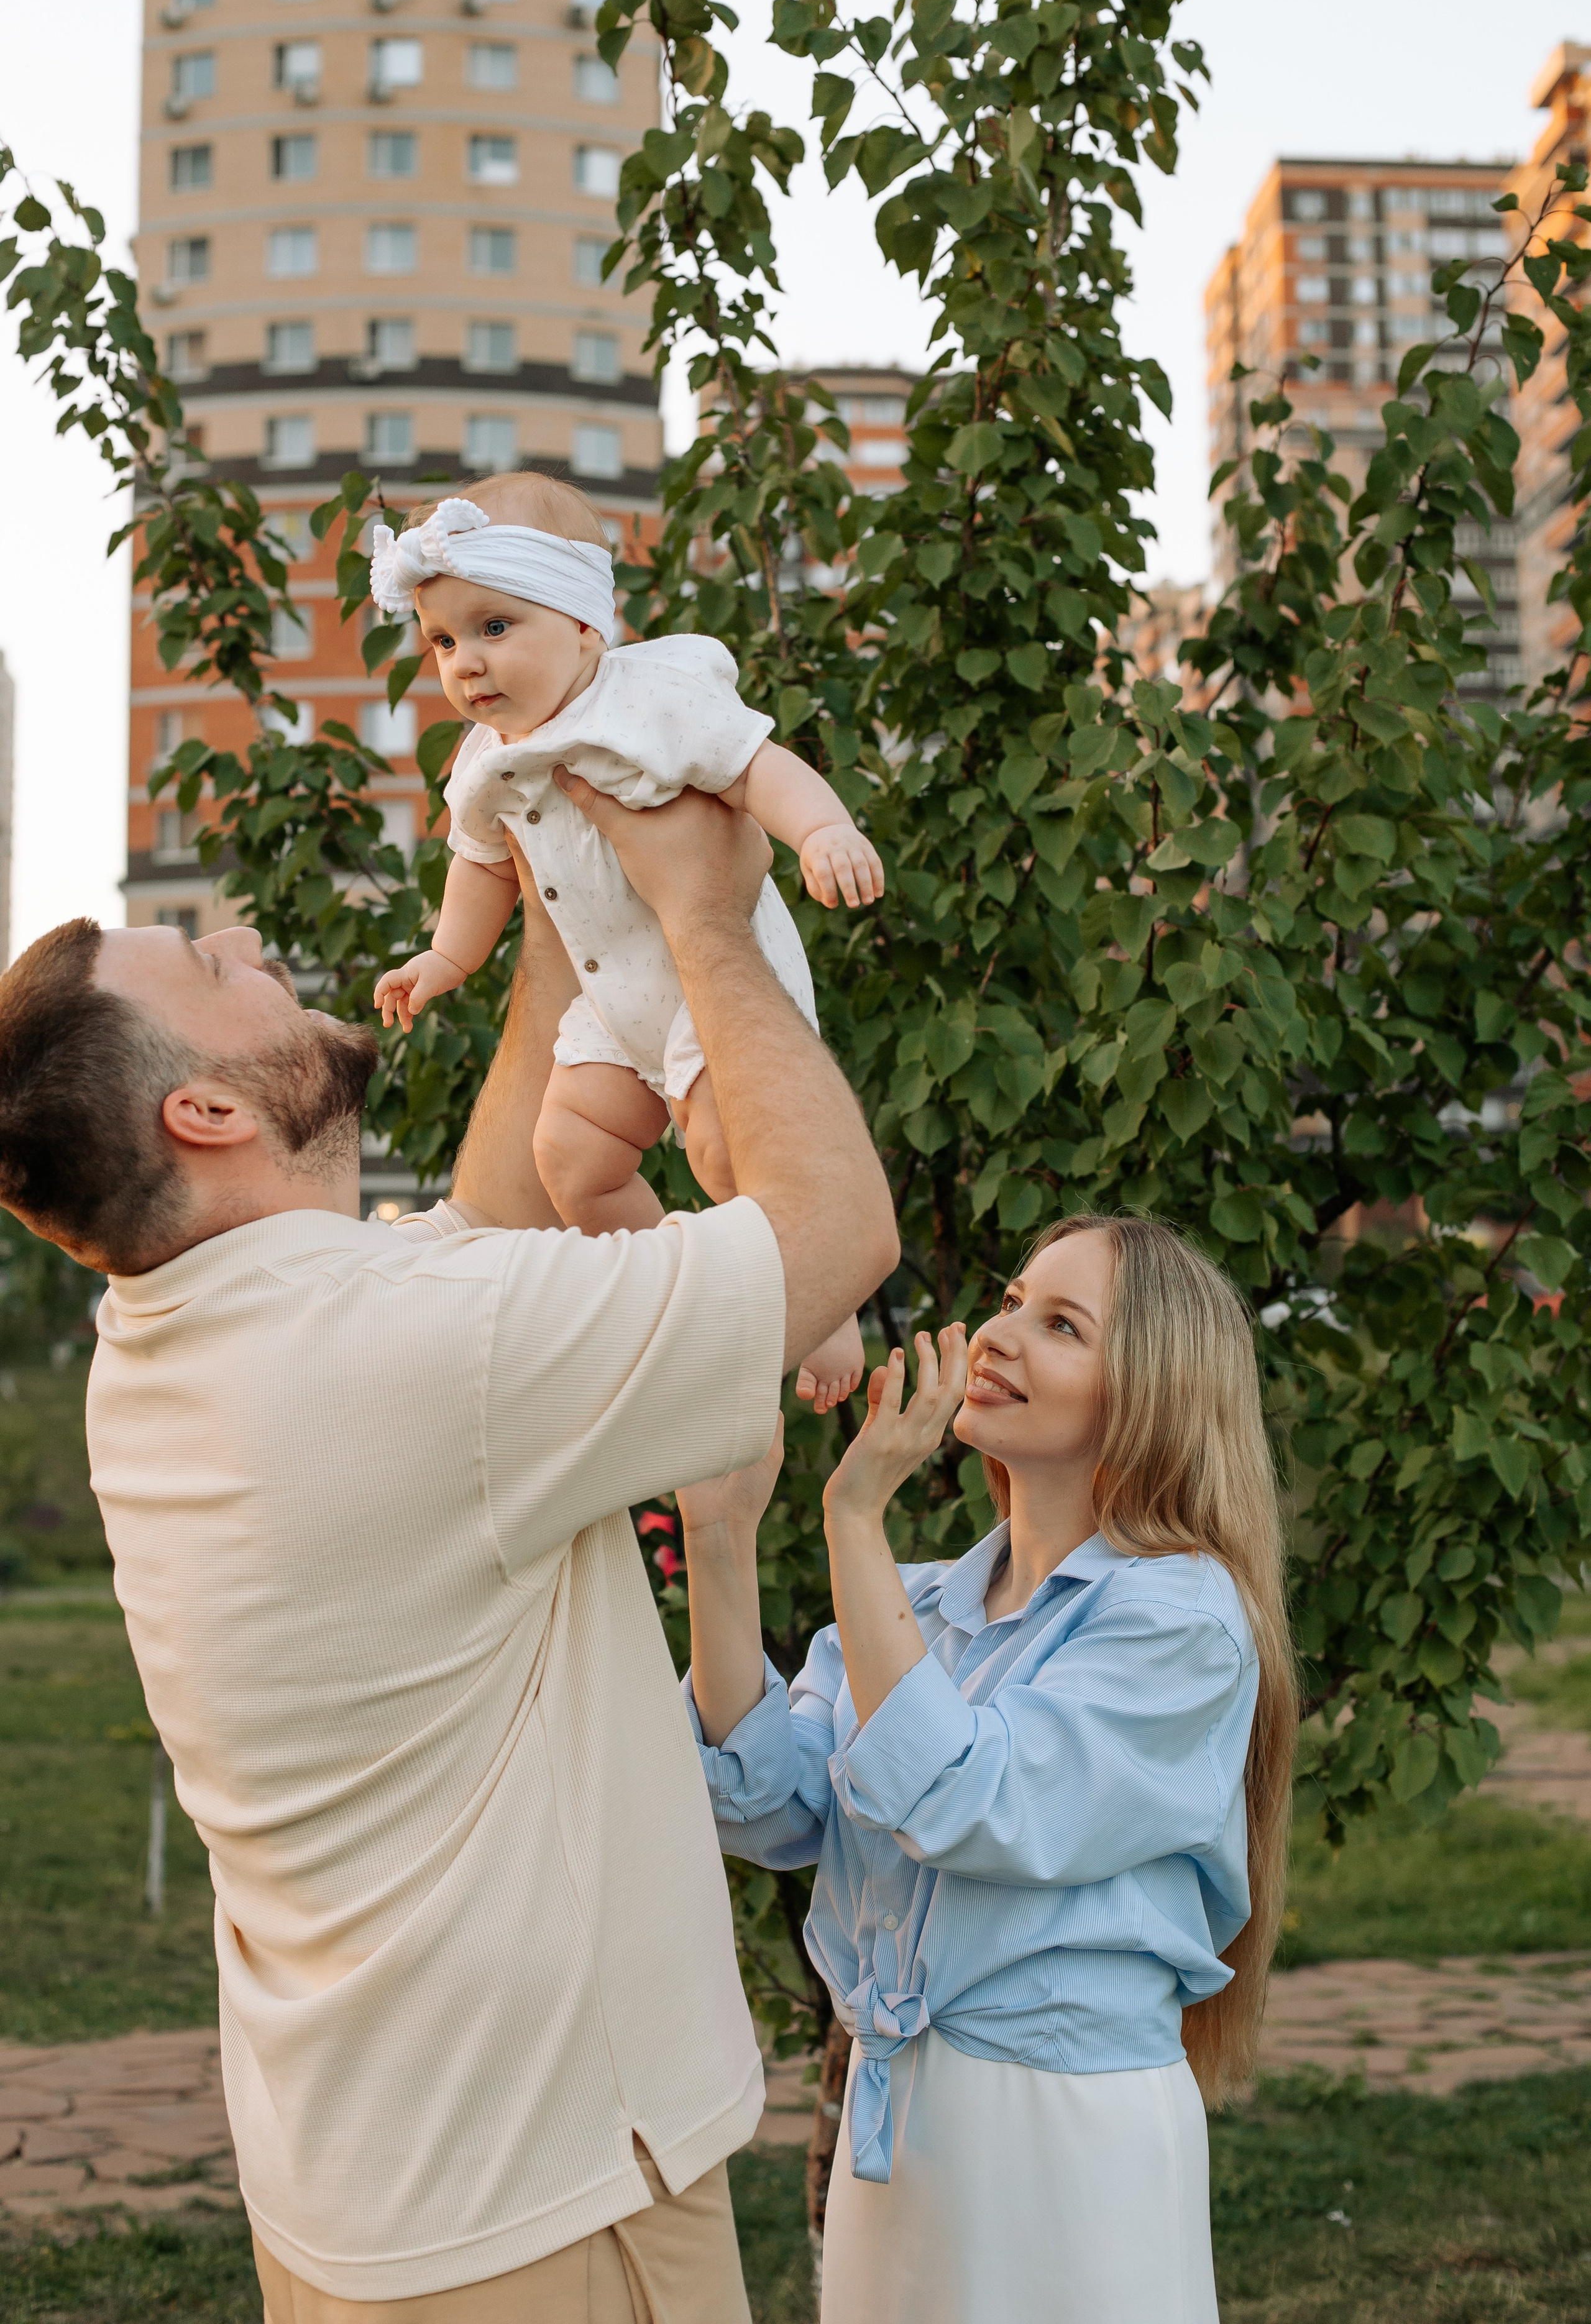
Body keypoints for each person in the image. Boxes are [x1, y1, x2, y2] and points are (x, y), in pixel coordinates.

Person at [0, 775, 897, 2323]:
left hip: (364, 2186)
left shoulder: (166, 1344)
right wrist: (700, 911)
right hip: (545, 2208)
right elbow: (835, 1230)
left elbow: (485, 1213)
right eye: (213, 970)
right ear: (206, 1113)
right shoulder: (411, 1351)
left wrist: (556, 879)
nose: (249, 936)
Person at [678, 1215, 1297, 2324]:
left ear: (1146, 1395)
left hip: (1062, 2124)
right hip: (902, 2123)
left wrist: (852, 1518)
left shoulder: (1184, 1618)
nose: (1000, 1335)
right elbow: (769, 1804)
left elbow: (972, 1800)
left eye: (1061, 1325)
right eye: (1012, 1302)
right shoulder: (914, 1608)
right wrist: (718, 1542)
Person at [369, 474, 884, 1413]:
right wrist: (446, 958)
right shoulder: (483, 762)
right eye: (443, 641)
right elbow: (483, 867)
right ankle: (665, 1293)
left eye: (494, 628)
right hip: (612, 1008)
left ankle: (817, 1303)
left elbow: (756, 770)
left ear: (583, 627)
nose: (466, 664)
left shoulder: (649, 704)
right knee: (570, 1156)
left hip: (712, 990)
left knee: (730, 1157)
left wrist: (823, 833)